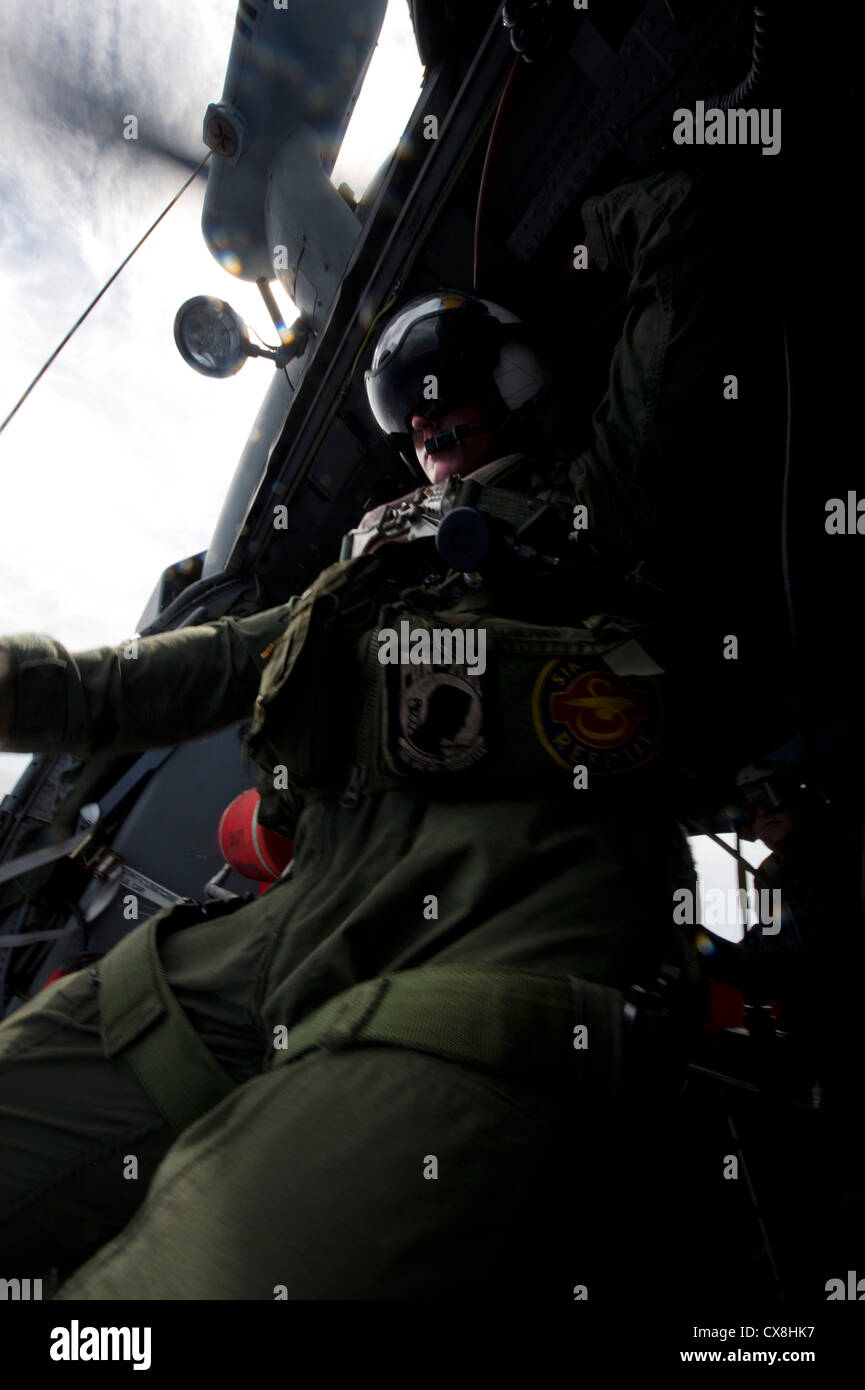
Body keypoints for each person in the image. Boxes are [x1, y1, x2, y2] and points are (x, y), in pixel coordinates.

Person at [0, 170, 786, 1300]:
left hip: (506, 922)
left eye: (450, 391)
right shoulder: (348, 585)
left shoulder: (592, 504)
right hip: (283, 934)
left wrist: (569, 235)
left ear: (518, 387)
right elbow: (177, 672)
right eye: (408, 415)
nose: (424, 424)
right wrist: (23, 689)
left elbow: (689, 229)